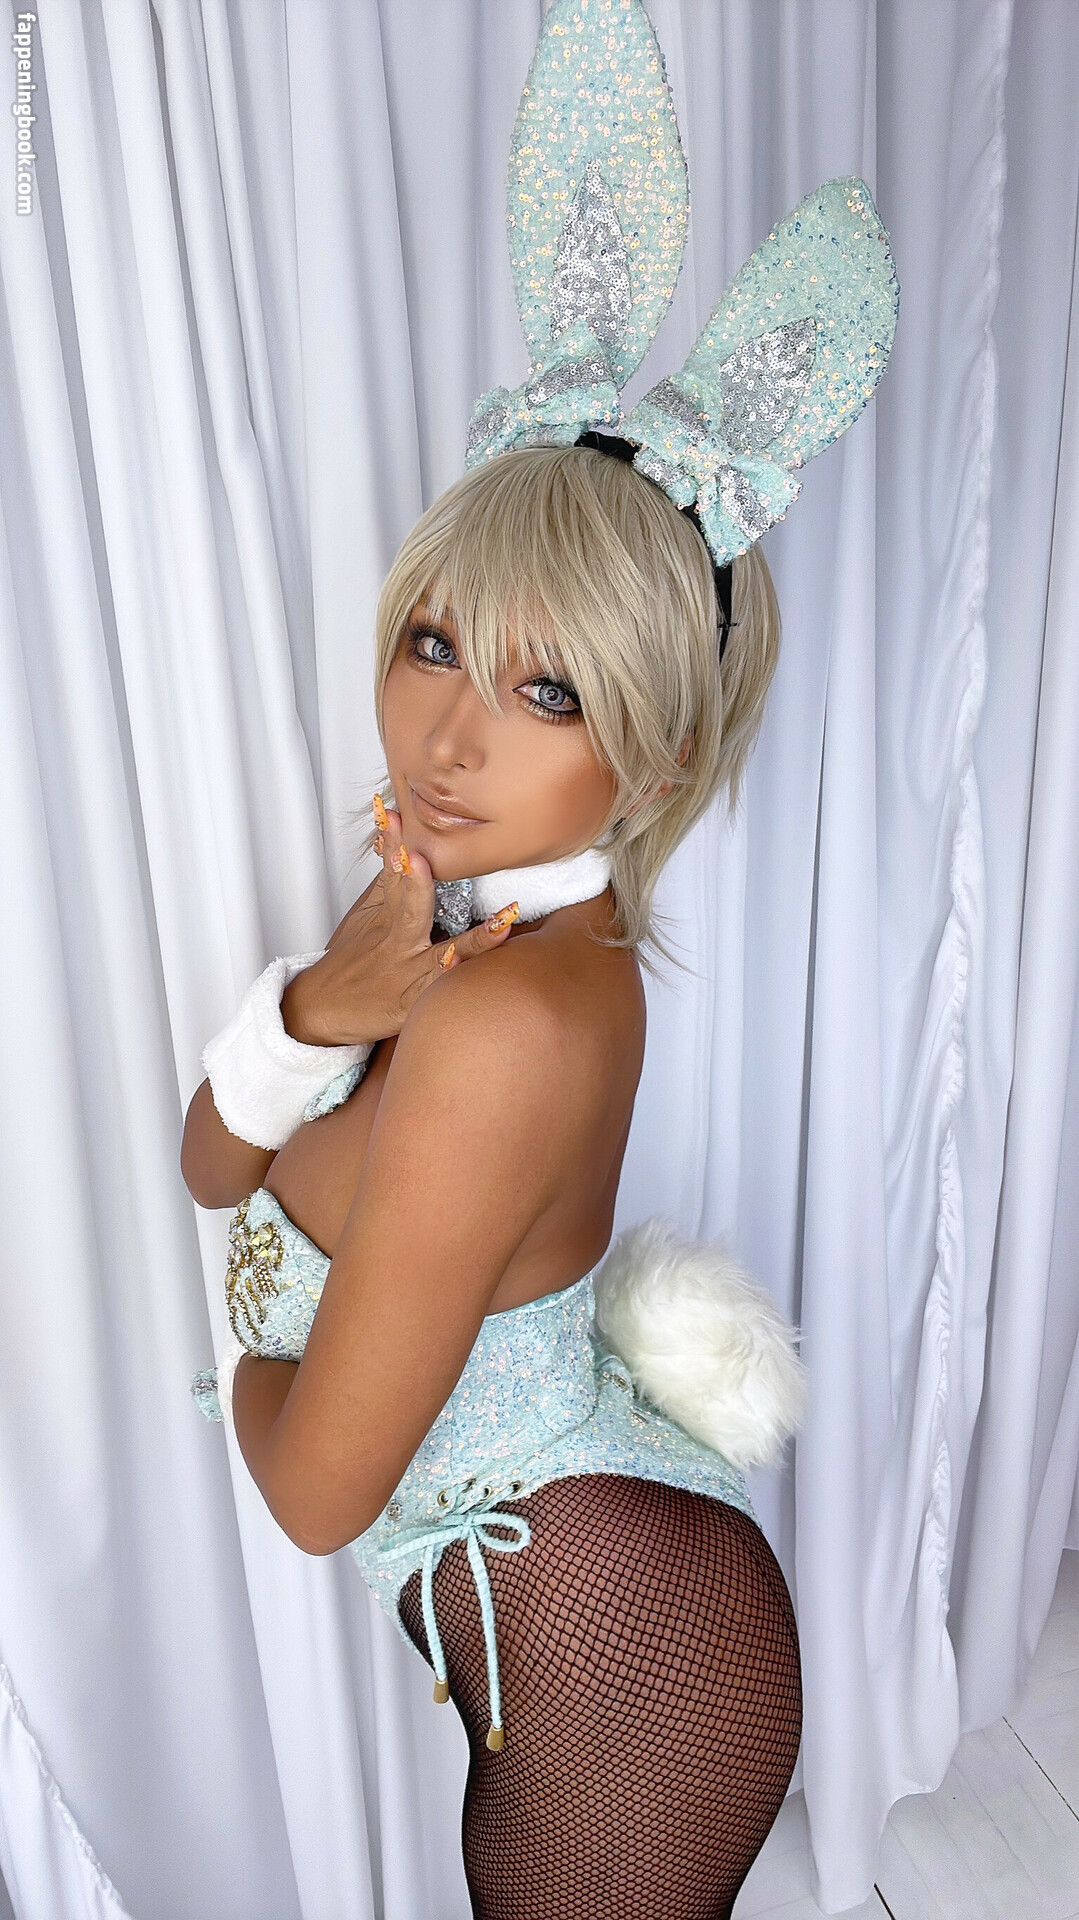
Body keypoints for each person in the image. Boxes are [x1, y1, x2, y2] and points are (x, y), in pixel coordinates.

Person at [182, 4, 897, 1912]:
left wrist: (222, 1356)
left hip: (635, 1678)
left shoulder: (514, 1017)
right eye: (435, 642)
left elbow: (316, 1489)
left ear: (653, 758)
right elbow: (212, 1156)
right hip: (575, 1632)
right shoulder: (441, 944)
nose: (447, 737)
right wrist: (321, 1008)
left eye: (547, 690)